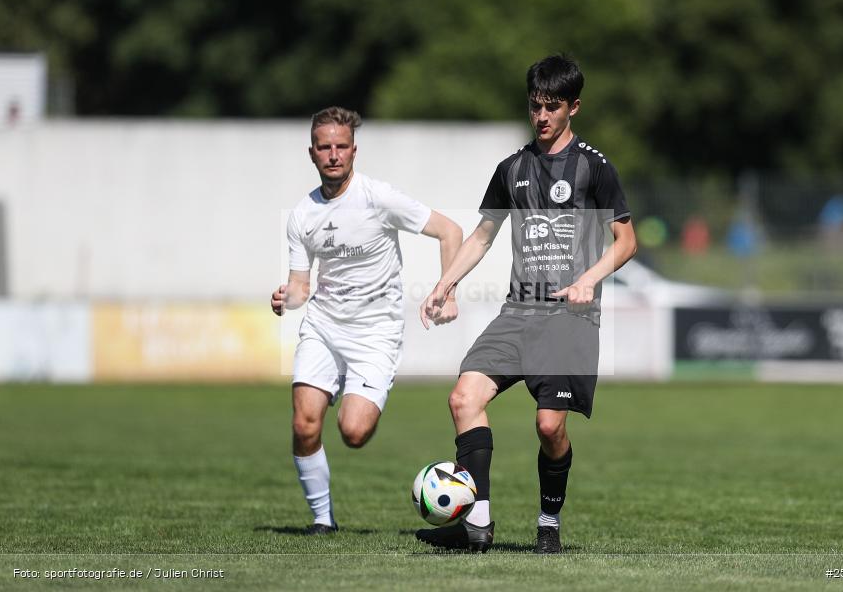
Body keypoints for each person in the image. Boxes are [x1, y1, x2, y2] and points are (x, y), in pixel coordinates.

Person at [415, 55, 637, 553]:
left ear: (572, 108)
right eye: (535, 105)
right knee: (463, 398)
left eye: (551, 107)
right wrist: (444, 284)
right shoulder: (510, 169)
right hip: (518, 313)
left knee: (548, 427)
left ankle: (549, 522)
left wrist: (589, 279)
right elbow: (482, 235)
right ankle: (478, 523)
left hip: (571, 317)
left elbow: (626, 242)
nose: (540, 115)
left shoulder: (594, 168)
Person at [271, 106, 462, 534]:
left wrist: (447, 291)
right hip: (323, 326)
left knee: (353, 433)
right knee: (304, 423)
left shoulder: (379, 198)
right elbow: (301, 286)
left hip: (376, 332)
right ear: (312, 153)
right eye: (325, 147)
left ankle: (357, 397)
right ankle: (323, 521)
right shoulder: (301, 216)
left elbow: (450, 231)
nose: (333, 154)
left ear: (354, 151)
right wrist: (288, 297)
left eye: (341, 146)